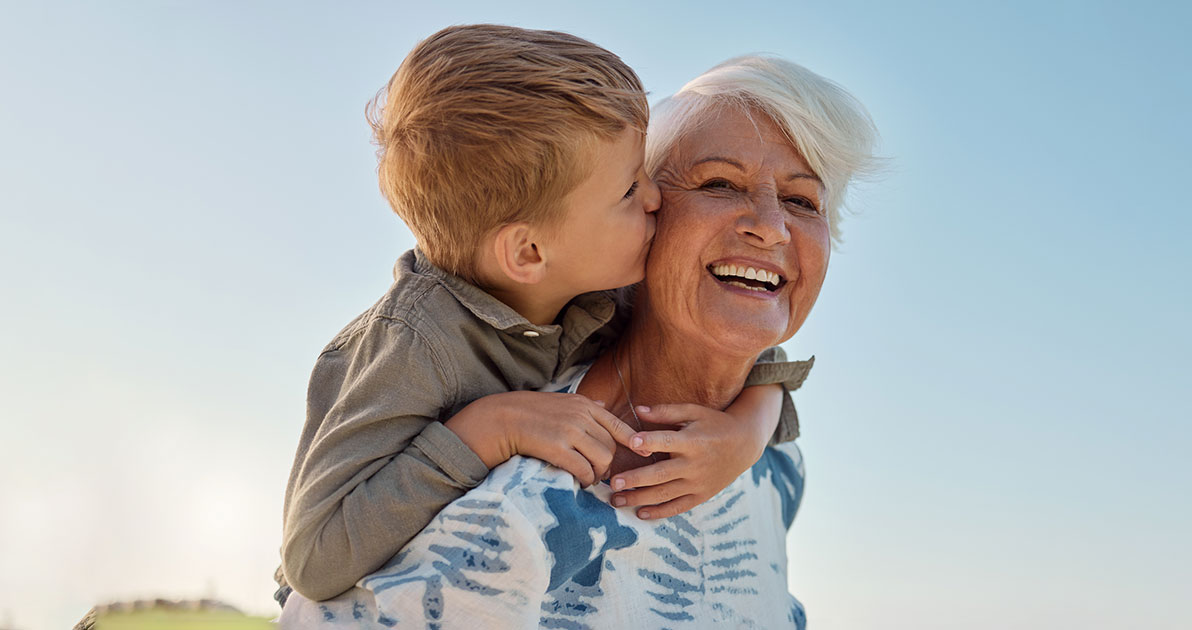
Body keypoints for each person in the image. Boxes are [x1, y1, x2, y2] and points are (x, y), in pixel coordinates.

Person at [279, 53, 880, 629]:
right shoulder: (500, 467)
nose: (771, 227)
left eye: (803, 200)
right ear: (652, 226)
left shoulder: (776, 469)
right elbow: (316, 564)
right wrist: (488, 429)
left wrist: (748, 434)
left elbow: (755, 354)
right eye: (719, 183)